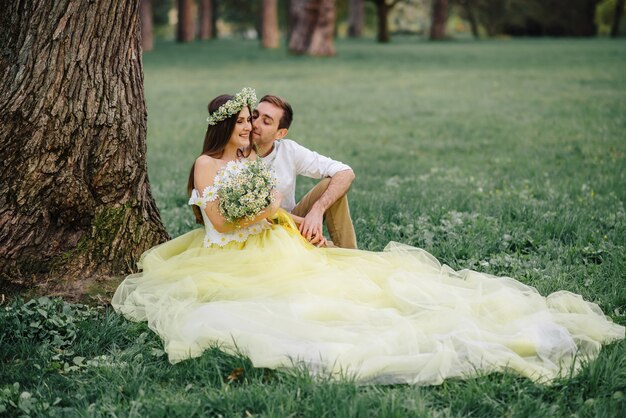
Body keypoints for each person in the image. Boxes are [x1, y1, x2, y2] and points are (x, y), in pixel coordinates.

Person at [112, 88, 624, 386]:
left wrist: (278, 214)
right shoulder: (209, 163)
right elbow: (221, 222)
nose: (251, 128)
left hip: (269, 235)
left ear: (274, 130)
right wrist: (264, 211)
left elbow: (323, 179)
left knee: (330, 278)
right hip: (231, 247)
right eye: (246, 121)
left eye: (257, 122)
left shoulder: (259, 158)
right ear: (227, 125)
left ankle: (340, 257)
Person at [252, 94, 357, 249]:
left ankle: (350, 253)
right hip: (256, 232)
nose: (255, 124)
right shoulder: (234, 152)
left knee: (331, 184)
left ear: (280, 134)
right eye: (254, 116)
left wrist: (317, 210)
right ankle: (342, 254)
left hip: (291, 225)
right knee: (327, 254)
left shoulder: (288, 150)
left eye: (266, 121)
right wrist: (307, 224)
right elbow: (258, 213)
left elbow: (346, 172)